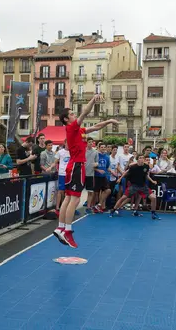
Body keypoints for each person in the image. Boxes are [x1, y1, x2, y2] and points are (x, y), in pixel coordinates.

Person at [55, 94, 118, 248]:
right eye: (71, 114)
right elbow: (84, 113)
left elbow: (96, 127)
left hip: (73, 165)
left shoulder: (79, 130)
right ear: (65, 119)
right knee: (74, 199)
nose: (73, 115)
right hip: (77, 166)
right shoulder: (71, 127)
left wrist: (109, 121)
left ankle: (60, 227)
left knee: (69, 198)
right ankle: (67, 231)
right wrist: (93, 100)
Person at [110, 154, 160, 219]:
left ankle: (153, 213)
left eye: (142, 158)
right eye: (140, 158)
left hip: (143, 186)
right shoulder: (133, 167)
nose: (141, 159)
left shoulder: (146, 166)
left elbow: (146, 175)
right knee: (123, 198)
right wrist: (120, 179)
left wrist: (152, 181)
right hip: (133, 186)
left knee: (153, 197)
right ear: (137, 160)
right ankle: (113, 210)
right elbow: (126, 172)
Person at [55, 142, 71, 213]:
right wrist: (55, 169)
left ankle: (68, 207)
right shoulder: (60, 152)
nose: (69, 144)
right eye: (67, 143)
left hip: (70, 174)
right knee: (60, 191)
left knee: (69, 192)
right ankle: (57, 208)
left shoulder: (73, 152)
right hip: (62, 174)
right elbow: (55, 162)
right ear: (65, 143)